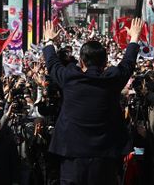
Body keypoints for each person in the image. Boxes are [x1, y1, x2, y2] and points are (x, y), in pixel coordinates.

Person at [42, 18, 143, 185]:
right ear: (105, 63)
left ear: (81, 61)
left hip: (72, 154)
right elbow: (128, 63)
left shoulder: (70, 78)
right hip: (105, 156)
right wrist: (134, 38)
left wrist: (49, 40)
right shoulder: (112, 80)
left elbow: (52, 64)